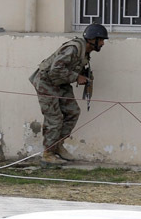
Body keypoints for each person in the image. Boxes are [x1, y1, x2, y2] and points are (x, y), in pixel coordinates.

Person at [29, 23, 108, 165]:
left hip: (61, 83)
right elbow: (55, 70)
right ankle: (47, 153)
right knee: (54, 118)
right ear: (92, 39)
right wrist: (77, 77)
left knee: (73, 112)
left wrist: (83, 75)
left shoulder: (85, 51)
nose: (102, 43)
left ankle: (57, 145)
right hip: (47, 82)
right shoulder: (73, 49)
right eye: (101, 40)